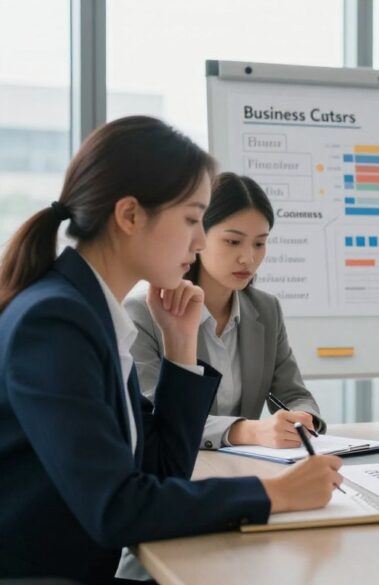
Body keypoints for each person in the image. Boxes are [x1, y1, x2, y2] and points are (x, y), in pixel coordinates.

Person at [0, 116, 341, 584]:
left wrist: (181, 346)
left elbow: (161, 470)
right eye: (191, 219)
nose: (199, 241)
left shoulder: (89, 312)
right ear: (130, 215)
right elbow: (115, 507)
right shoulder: (55, 321)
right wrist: (274, 494)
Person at [127, 172, 324, 450]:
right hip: (176, 471)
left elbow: (292, 393)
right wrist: (247, 431)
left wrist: (303, 419)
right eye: (233, 241)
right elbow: (155, 415)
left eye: (259, 243)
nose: (249, 258)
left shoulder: (266, 309)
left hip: (246, 468)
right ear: (197, 237)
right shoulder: (144, 311)